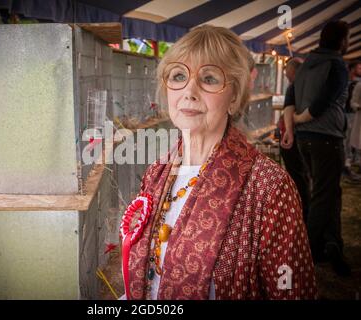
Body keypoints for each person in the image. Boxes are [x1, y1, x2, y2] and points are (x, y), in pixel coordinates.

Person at [120, 26, 317, 300]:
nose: (189, 91)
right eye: (178, 76)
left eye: (209, 78)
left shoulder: (270, 188)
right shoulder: (157, 172)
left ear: (234, 97)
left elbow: (294, 293)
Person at [290, 21, 351, 276]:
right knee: (323, 196)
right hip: (325, 137)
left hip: (305, 139)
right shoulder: (337, 65)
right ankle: (309, 250)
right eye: (347, 39)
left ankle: (332, 244)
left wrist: (297, 121)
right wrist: (306, 116)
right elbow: (324, 101)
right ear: (341, 41)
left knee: (328, 193)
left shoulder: (305, 64)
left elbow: (291, 95)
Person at [279, 58, 309, 222]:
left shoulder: (296, 86)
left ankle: (301, 207)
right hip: (296, 135)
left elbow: (289, 110)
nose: (285, 73)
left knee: (297, 175)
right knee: (300, 175)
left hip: (294, 137)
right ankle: (301, 206)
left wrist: (289, 127)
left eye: (287, 70)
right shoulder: (301, 86)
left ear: (294, 71)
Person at [342, 61, 361, 182]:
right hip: (347, 114)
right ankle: (346, 165)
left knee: (354, 140)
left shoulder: (357, 82)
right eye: (358, 67)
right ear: (352, 68)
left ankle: (353, 161)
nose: (360, 69)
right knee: (347, 140)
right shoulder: (346, 82)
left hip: (354, 115)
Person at [348, 60, 361, 169]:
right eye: (358, 68)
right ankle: (350, 159)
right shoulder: (357, 85)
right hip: (351, 114)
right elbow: (353, 101)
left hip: (353, 114)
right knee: (350, 139)